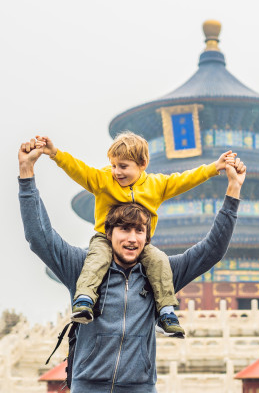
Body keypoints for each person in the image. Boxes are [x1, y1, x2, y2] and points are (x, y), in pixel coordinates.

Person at [18, 138, 246, 393]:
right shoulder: (83, 266)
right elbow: (39, 237)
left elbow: (211, 251)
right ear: (109, 232)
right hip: (88, 386)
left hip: (140, 387)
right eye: (123, 229)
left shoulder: (160, 271)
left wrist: (233, 190)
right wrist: (27, 174)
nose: (132, 239)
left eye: (139, 231)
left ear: (147, 235)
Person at [34, 132, 236, 338]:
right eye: (113, 165)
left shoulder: (156, 185)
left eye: (123, 166)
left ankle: (166, 312)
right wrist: (55, 153)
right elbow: (78, 169)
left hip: (141, 244)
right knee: (97, 258)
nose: (116, 172)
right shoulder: (103, 180)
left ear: (142, 163)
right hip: (105, 239)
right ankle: (85, 298)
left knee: (159, 261)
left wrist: (214, 168)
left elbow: (185, 179)